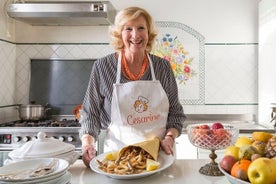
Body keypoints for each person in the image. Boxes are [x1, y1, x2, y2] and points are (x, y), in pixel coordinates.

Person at [79, 6, 186, 168]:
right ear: (119, 34)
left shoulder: (162, 67)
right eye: (128, 28)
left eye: (141, 28)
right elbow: (90, 113)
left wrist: (169, 138)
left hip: (158, 158)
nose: (135, 35)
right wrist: (87, 143)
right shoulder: (102, 67)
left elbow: (176, 114)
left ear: (148, 33)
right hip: (117, 160)